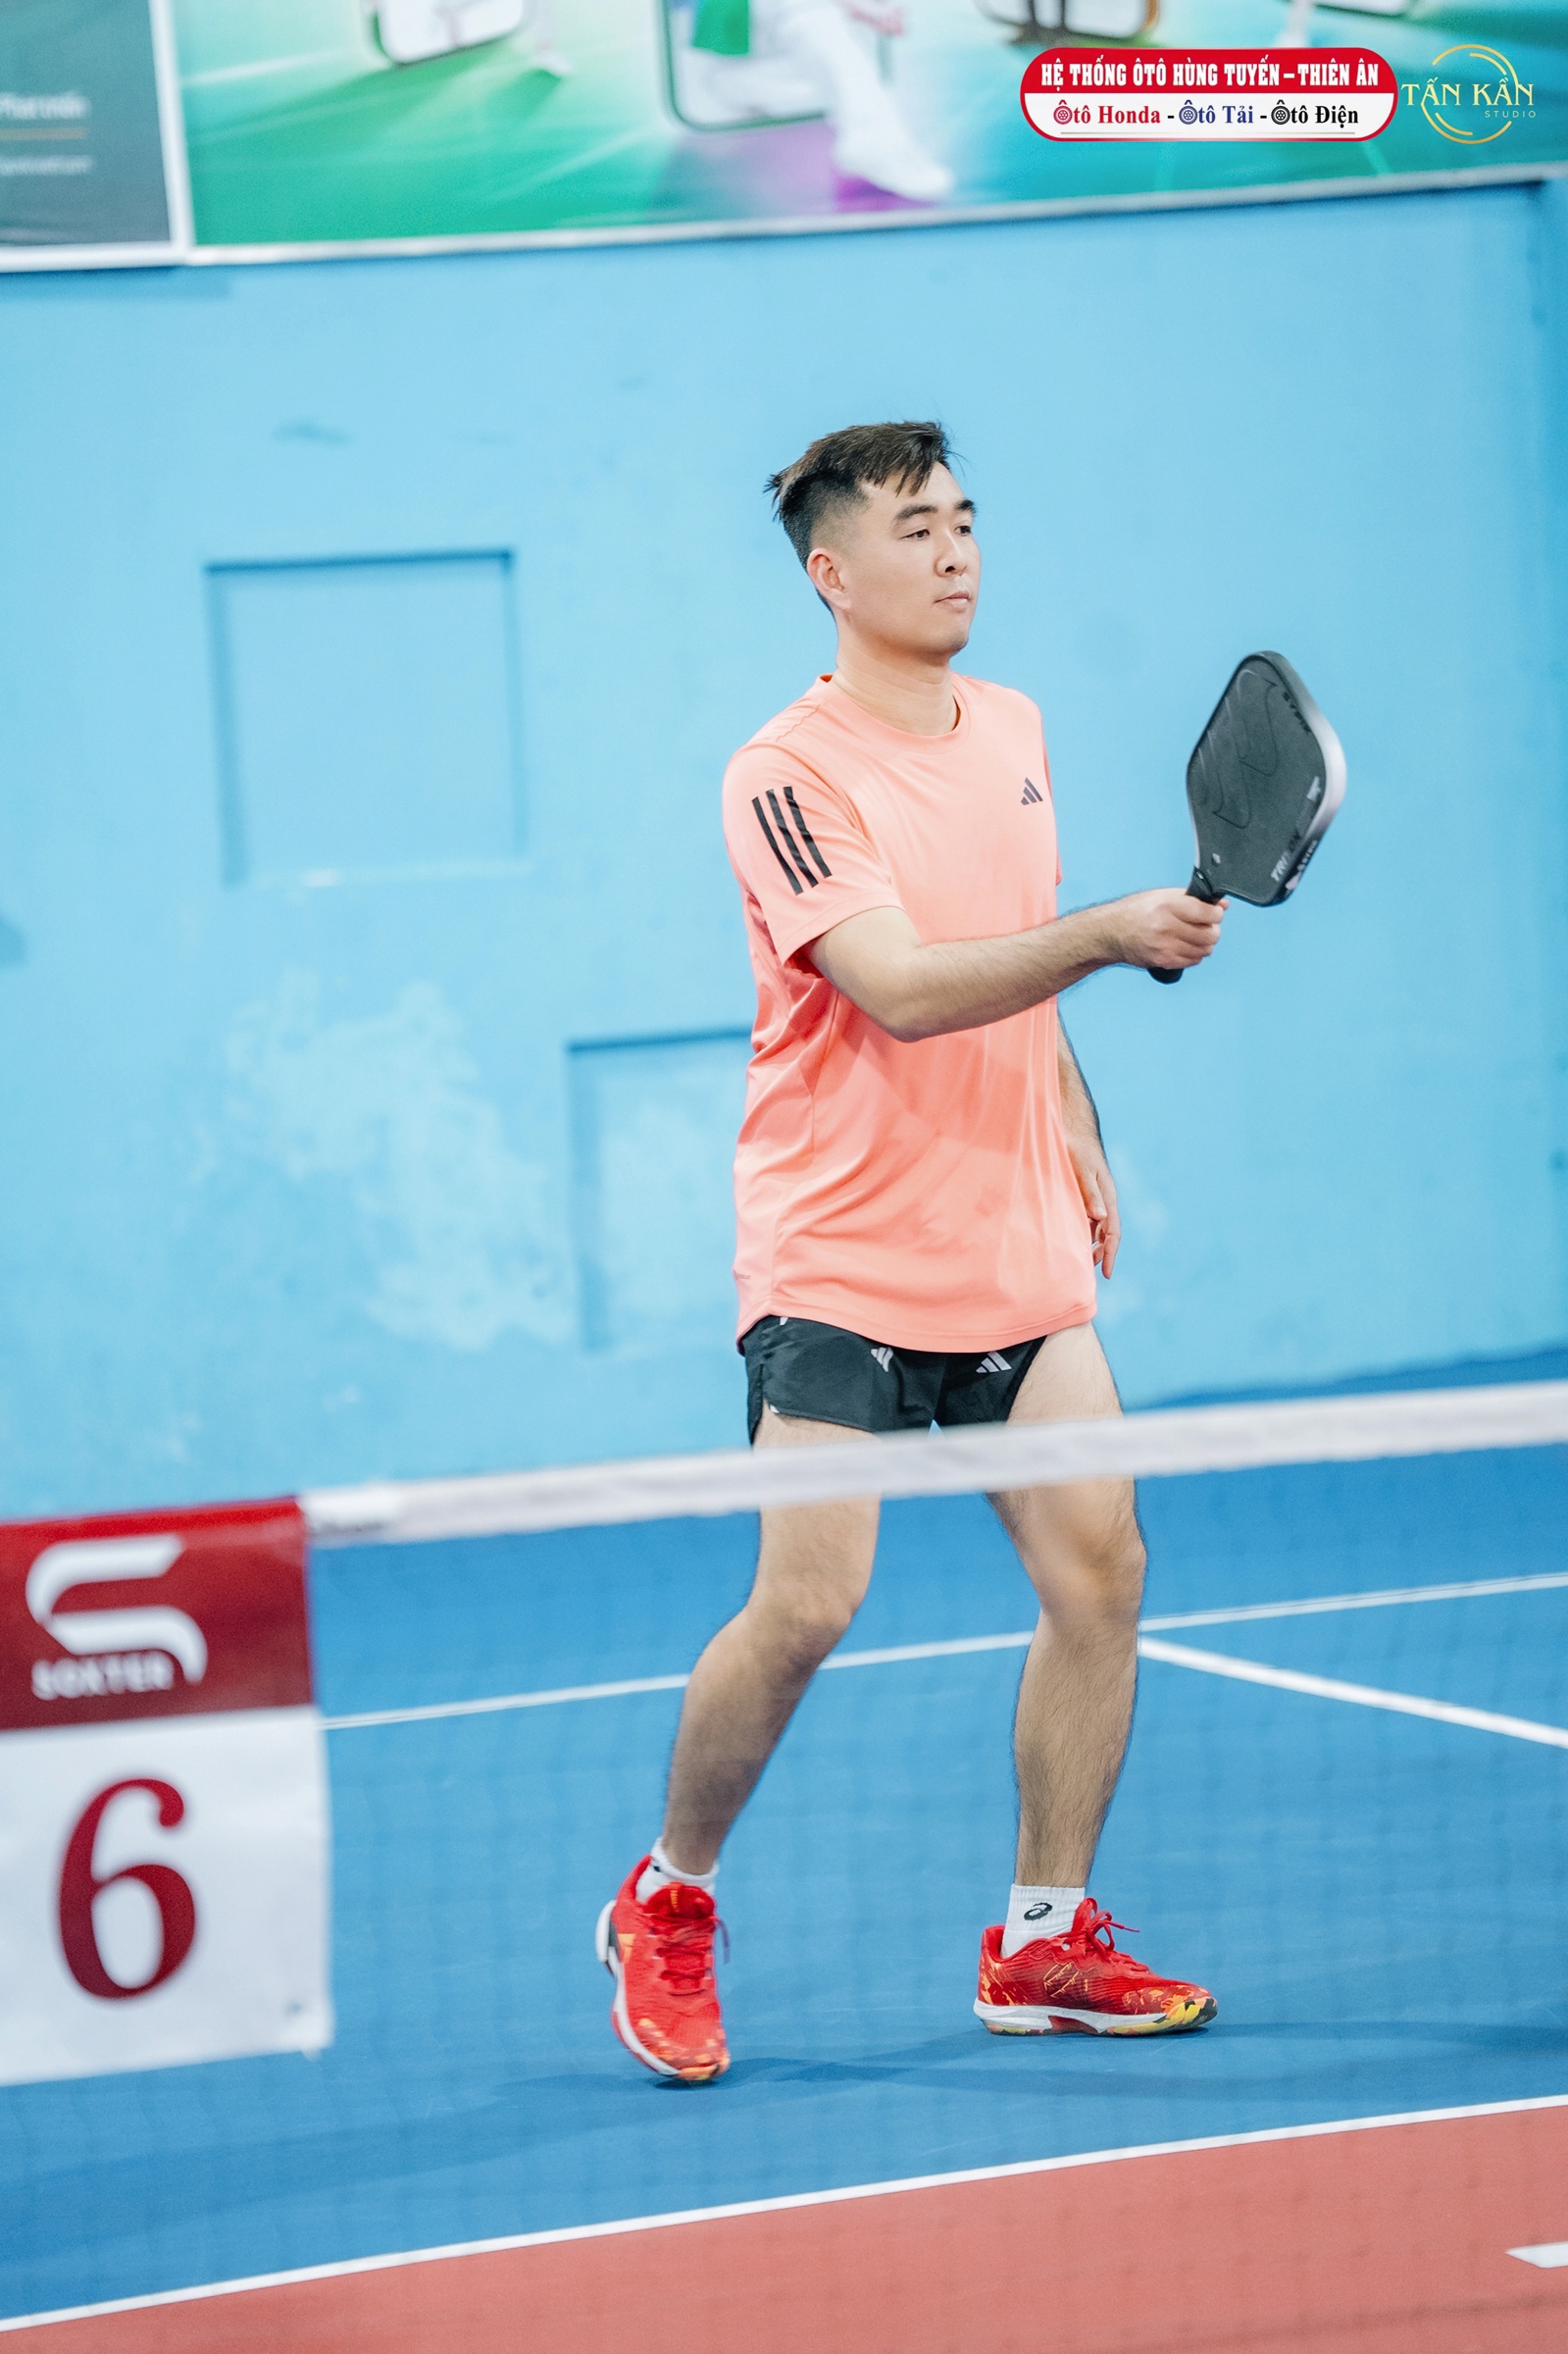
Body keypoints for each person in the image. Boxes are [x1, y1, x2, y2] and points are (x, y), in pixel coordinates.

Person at [596, 420, 1224, 2084]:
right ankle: (669, 1898)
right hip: (843, 1252)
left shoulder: (1011, 724)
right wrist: (1112, 937)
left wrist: (1073, 1115)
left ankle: (1042, 1938)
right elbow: (895, 982)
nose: (954, 552)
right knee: (810, 1604)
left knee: (1102, 1576)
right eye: (914, 530)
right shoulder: (784, 774)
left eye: (964, 521)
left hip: (1010, 1236)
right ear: (831, 573)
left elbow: (1010, 951)